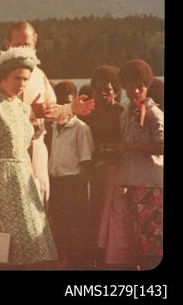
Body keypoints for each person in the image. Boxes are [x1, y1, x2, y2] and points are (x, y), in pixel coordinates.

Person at [0, 21, 94, 211]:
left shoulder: (39, 75)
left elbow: (51, 111)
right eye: (18, 45)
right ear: (7, 44)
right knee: (11, 210)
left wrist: (71, 109)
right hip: (8, 156)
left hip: (37, 148)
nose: (23, 49)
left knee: (40, 205)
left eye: (27, 45)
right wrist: (32, 113)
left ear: (35, 44)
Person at [0, 46, 58, 269]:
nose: (22, 84)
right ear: (2, 78)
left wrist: (33, 180)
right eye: (17, 78)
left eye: (26, 79)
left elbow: (47, 117)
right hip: (0, 183)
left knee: (28, 243)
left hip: (23, 183)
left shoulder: (21, 107)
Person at [105, 59, 164, 270]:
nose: (136, 90)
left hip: (151, 185)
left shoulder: (154, 113)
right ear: (124, 87)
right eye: (130, 85)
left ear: (147, 86)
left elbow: (162, 146)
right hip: (132, 184)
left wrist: (130, 147)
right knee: (137, 238)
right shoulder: (125, 113)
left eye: (140, 85)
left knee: (152, 240)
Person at [82, 66, 137, 269]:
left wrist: (110, 156)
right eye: (98, 89)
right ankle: (93, 255)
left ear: (116, 90)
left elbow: (127, 144)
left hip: (116, 171)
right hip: (93, 171)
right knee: (93, 214)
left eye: (108, 89)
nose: (103, 94)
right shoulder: (88, 113)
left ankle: (114, 258)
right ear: (92, 90)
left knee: (115, 218)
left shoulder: (121, 112)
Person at [48, 81, 94, 269]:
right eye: (59, 103)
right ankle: (61, 262)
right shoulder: (50, 127)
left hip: (73, 184)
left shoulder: (81, 128)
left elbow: (86, 162)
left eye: (67, 102)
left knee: (75, 227)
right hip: (55, 184)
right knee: (57, 227)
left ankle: (76, 265)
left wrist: (81, 194)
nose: (64, 107)